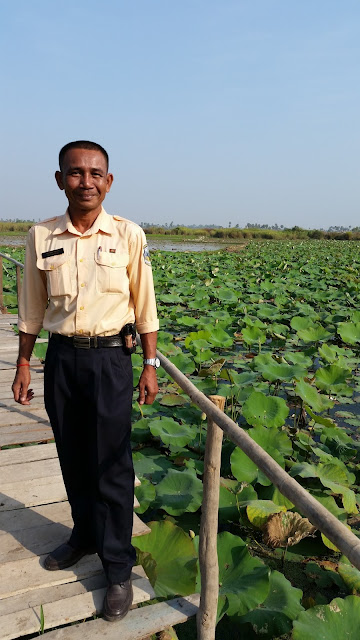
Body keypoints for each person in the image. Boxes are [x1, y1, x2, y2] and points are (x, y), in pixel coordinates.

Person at [12, 140, 160, 622]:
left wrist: (151, 364)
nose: (86, 181)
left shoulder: (127, 235)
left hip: (112, 362)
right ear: (60, 180)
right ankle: (83, 536)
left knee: (113, 466)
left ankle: (117, 565)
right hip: (62, 360)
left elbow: (145, 303)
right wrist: (21, 364)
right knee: (72, 456)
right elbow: (32, 307)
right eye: (75, 173)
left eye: (96, 173)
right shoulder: (41, 235)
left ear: (109, 181)